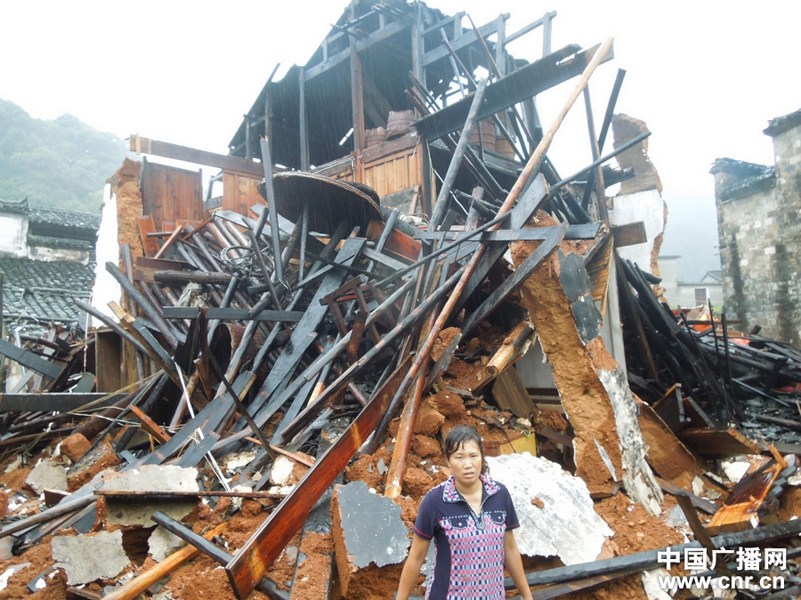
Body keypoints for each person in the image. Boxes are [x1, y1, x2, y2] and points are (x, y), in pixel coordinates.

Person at [396, 425, 533, 600]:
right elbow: (416, 557)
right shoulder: (435, 501)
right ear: (448, 460)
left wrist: (527, 596)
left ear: (482, 457)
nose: (468, 465)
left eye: (473, 456)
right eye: (459, 457)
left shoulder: (500, 495)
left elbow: (510, 548)